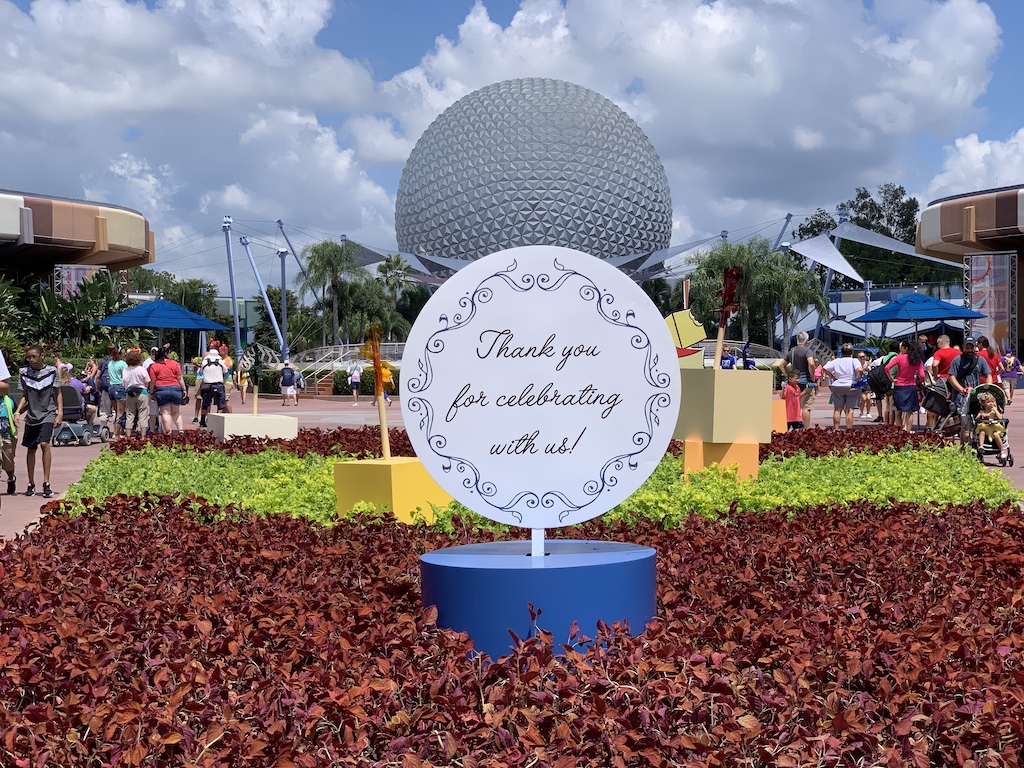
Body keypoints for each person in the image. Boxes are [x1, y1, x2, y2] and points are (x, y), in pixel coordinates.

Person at [15, 345, 63, 498]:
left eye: (34, 356)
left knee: (44, 444)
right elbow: (25, 395)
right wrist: (17, 412)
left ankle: (46, 483)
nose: (31, 359)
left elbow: (58, 393)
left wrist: (60, 413)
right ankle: (31, 483)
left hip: (48, 412)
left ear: (42, 355)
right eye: (29, 357)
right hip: (32, 415)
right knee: (31, 448)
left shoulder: (52, 371)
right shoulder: (24, 373)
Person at [885, 340, 925, 432]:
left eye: (901, 348)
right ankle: (908, 430)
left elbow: (887, 368)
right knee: (910, 411)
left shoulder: (899, 358)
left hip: (899, 386)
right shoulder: (917, 360)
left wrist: (892, 379)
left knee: (898, 410)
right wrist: (919, 381)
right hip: (911, 386)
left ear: (906, 348)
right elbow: (922, 375)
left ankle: (899, 430)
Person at [779, 332, 817, 427]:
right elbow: (811, 363)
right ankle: (805, 430)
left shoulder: (791, 351)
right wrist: (812, 376)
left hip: (794, 383)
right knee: (806, 407)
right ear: (807, 341)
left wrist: (789, 377)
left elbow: (781, 365)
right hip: (806, 382)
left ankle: (795, 428)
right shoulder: (807, 351)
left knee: (796, 406)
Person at [822, 343, 863, 430]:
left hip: (837, 385)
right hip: (851, 385)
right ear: (852, 352)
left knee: (837, 409)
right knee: (850, 409)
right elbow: (859, 369)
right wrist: (858, 378)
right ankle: (849, 429)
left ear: (842, 352)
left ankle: (836, 429)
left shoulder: (837, 361)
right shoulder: (854, 360)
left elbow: (825, 368)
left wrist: (833, 377)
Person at [148, 347, 187, 434]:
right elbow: (180, 378)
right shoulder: (174, 363)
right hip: (175, 389)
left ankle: (168, 433)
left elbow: (152, 381)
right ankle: (181, 431)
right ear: (166, 354)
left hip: (161, 390)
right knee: (176, 412)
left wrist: (152, 393)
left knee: (166, 413)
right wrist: (184, 389)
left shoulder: (154, 366)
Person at [948, 337, 993, 411]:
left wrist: (988, 388)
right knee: (959, 415)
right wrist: (962, 390)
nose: (969, 350)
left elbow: (988, 375)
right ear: (963, 347)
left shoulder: (980, 360)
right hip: (960, 396)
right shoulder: (957, 360)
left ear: (975, 347)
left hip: (976, 395)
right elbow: (951, 377)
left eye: (971, 348)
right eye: (967, 348)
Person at [121, 350, 150, 438]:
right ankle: (143, 436)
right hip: (142, 392)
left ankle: (128, 436)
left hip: (130, 393)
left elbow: (124, 384)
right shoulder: (142, 369)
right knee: (143, 415)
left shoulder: (126, 370)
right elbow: (147, 381)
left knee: (130, 415)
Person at [198, 347, 229, 427]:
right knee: (220, 404)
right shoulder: (220, 361)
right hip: (218, 385)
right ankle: (217, 422)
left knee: (205, 404)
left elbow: (201, 371)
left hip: (207, 385)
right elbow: (225, 371)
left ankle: (202, 421)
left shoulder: (204, 362)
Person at [975, 391, 1007, 459]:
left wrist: (996, 410)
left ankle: (1002, 450)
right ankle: (981, 446)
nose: (990, 403)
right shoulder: (982, 411)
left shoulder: (994, 411)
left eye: (992, 401)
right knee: (982, 432)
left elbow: (1000, 418)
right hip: (985, 427)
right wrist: (981, 415)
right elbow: (976, 419)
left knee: (996, 434)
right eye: (988, 402)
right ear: (983, 403)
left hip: (994, 427)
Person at [105, 345, 128, 438]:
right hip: (120, 387)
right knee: (120, 413)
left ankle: (117, 431)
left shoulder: (110, 363)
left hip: (111, 387)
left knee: (116, 411)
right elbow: (126, 377)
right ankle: (116, 434)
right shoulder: (123, 364)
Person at [0, 380, 17, 495]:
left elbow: (17, 410)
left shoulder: (9, 399)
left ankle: (11, 478)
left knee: (8, 463)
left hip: (7, 435)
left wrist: (17, 416)